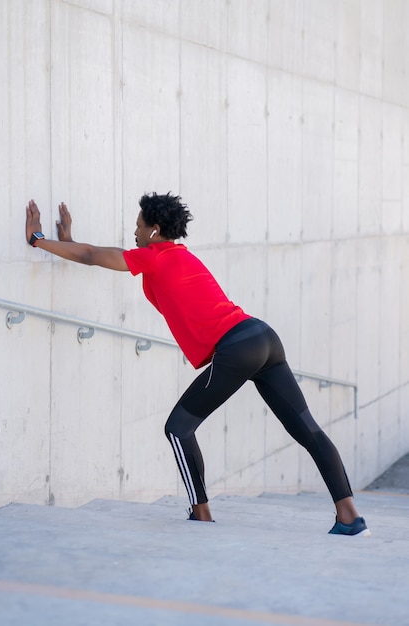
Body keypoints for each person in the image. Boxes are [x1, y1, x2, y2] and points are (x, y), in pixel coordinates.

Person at [25, 194, 370, 536]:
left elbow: (92, 256)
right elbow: (92, 255)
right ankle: (349, 516)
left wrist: (39, 240)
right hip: (262, 336)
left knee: (179, 427)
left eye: (138, 225)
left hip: (236, 347)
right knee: (307, 429)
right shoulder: (177, 255)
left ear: (154, 230)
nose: (134, 231)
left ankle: (200, 514)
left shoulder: (153, 259)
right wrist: (67, 243)